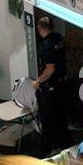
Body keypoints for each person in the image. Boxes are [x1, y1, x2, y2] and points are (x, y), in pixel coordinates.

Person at [34, 14, 69, 154]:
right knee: (62, 115)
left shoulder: (46, 46)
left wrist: (38, 81)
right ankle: (64, 140)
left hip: (52, 87)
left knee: (49, 117)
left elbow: (50, 69)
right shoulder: (59, 38)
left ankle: (52, 147)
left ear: (39, 28)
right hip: (63, 83)